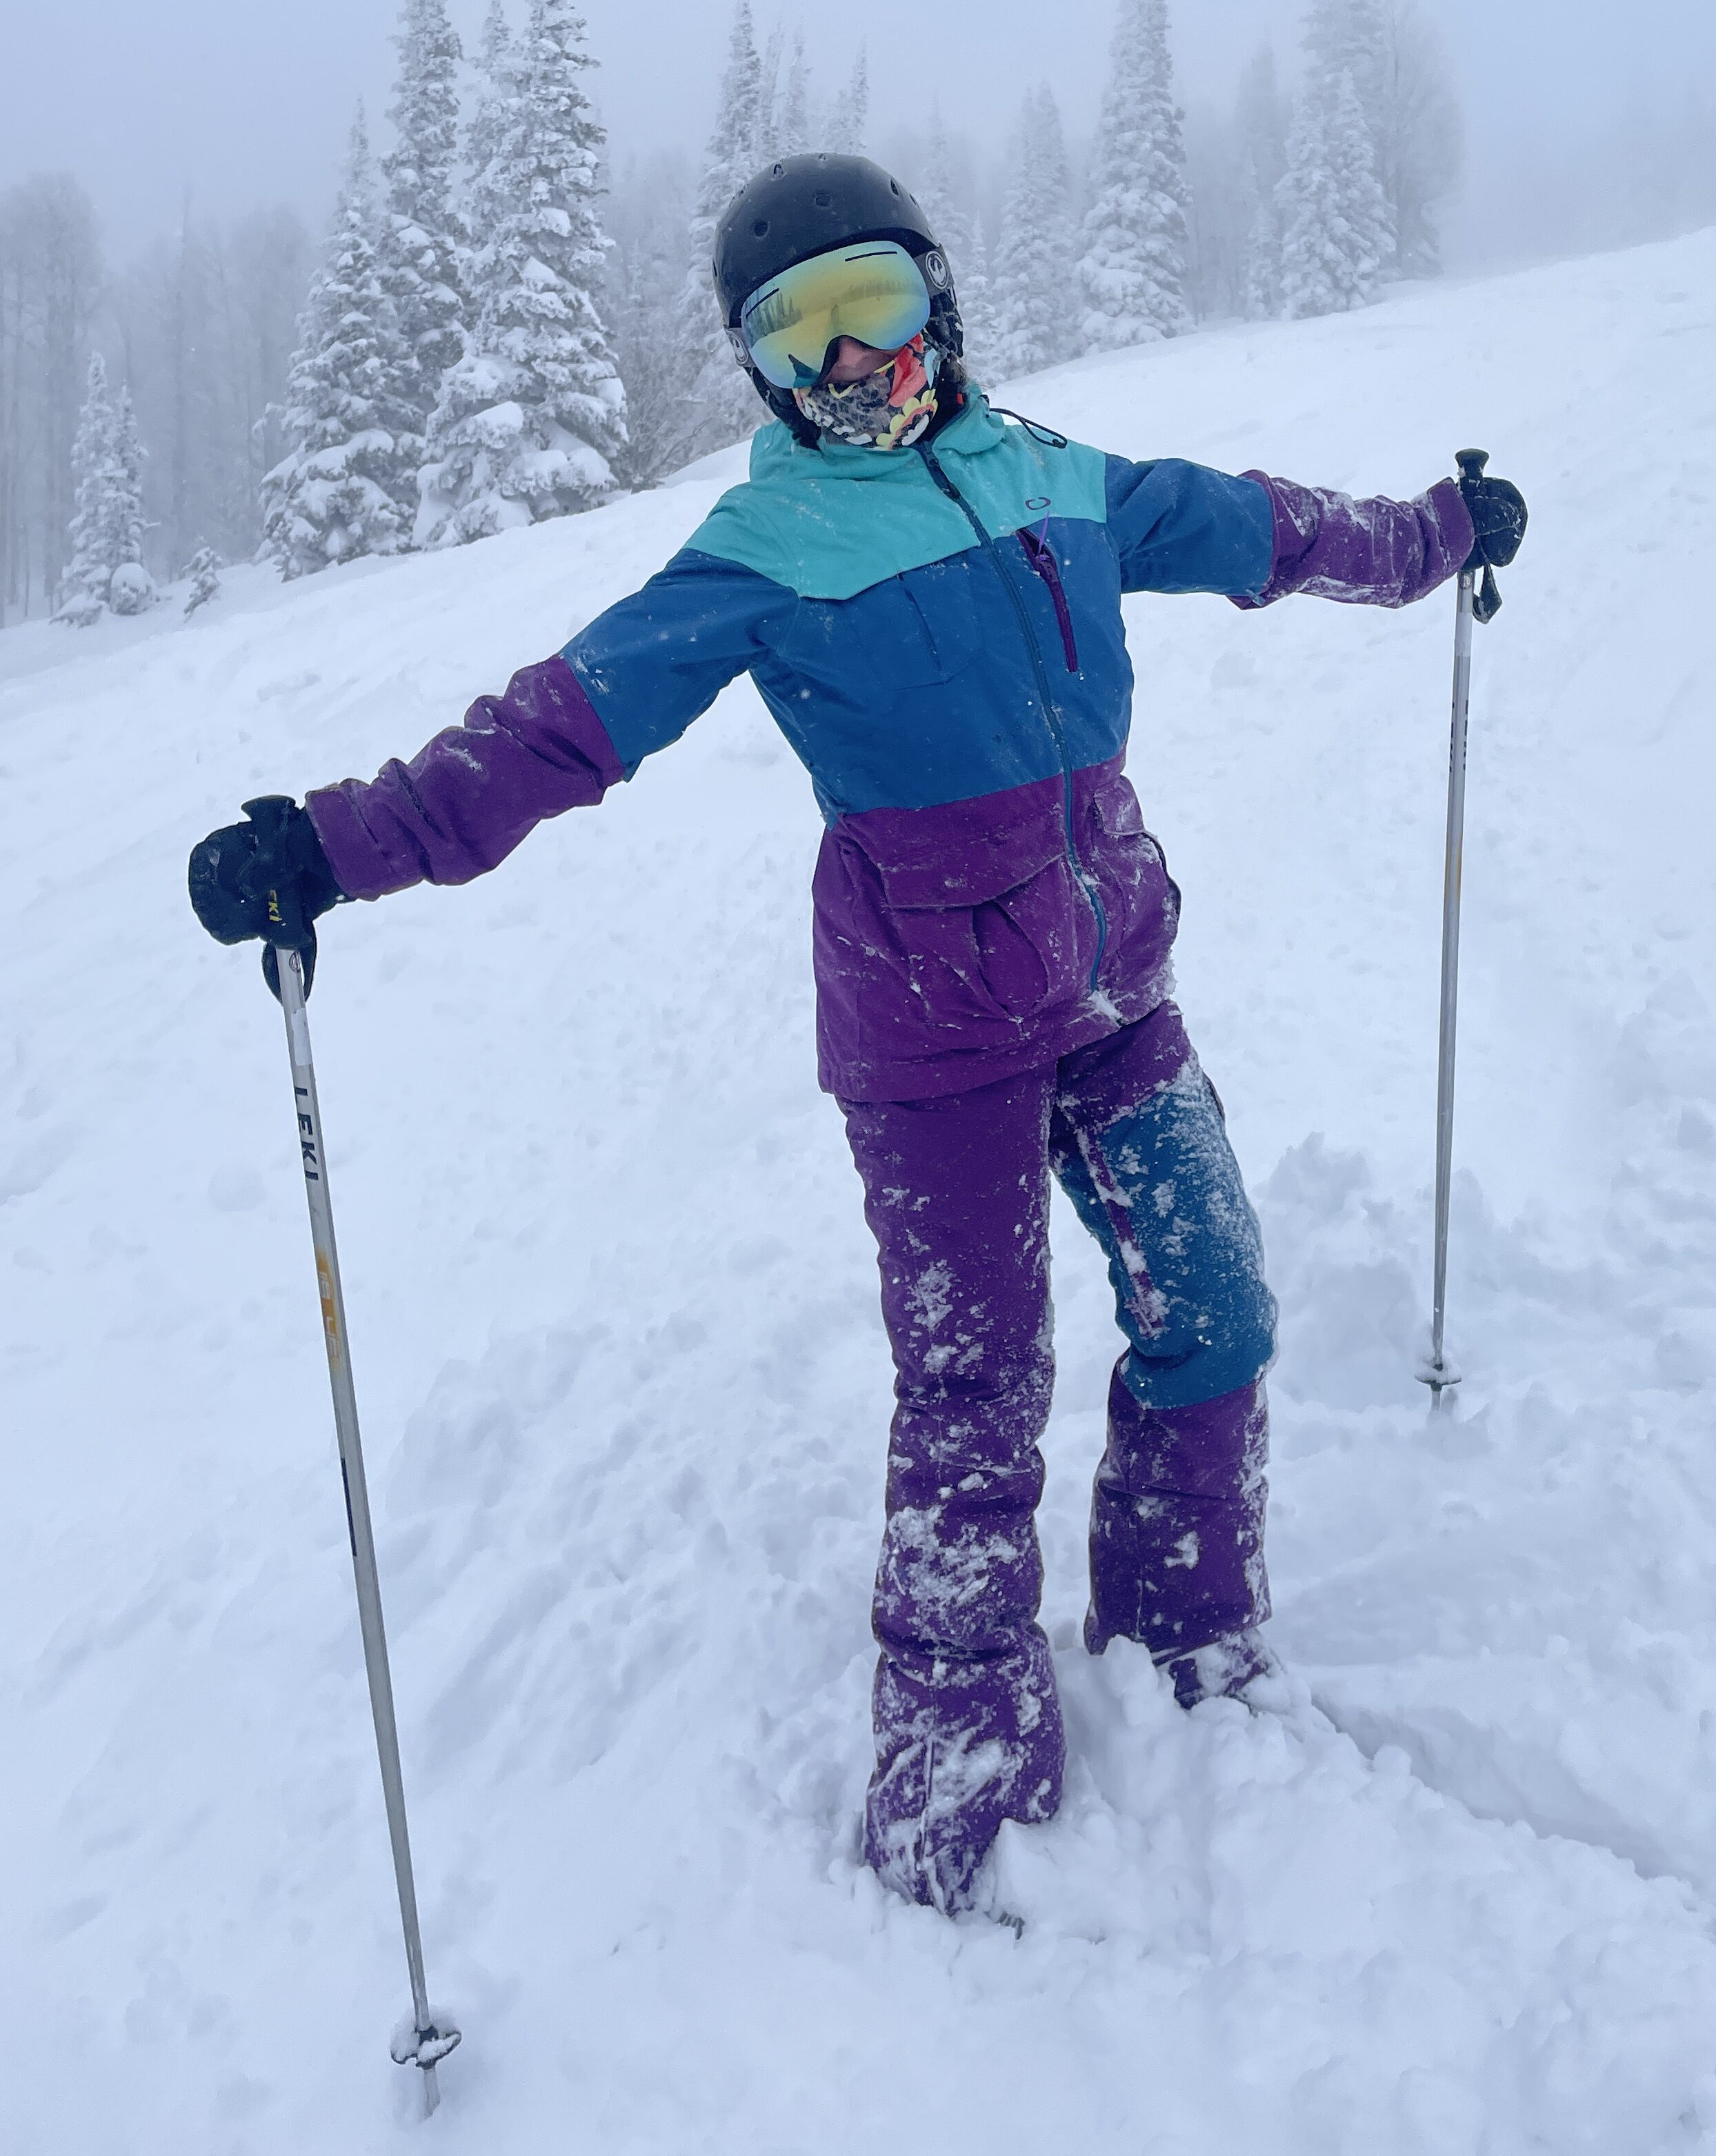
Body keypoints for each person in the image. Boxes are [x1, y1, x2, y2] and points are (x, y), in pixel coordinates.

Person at [189, 152, 1527, 1915]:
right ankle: (954, 1781)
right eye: (796, 329)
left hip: (1114, 979)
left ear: (938, 300)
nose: (848, 358)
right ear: (757, 363)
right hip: (928, 1035)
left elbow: (1272, 531)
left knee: (1219, 1305)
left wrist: (1439, 536)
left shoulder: (1060, 480)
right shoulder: (760, 552)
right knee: (975, 1401)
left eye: (873, 304)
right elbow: (549, 736)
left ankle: (1188, 1634)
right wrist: (334, 845)